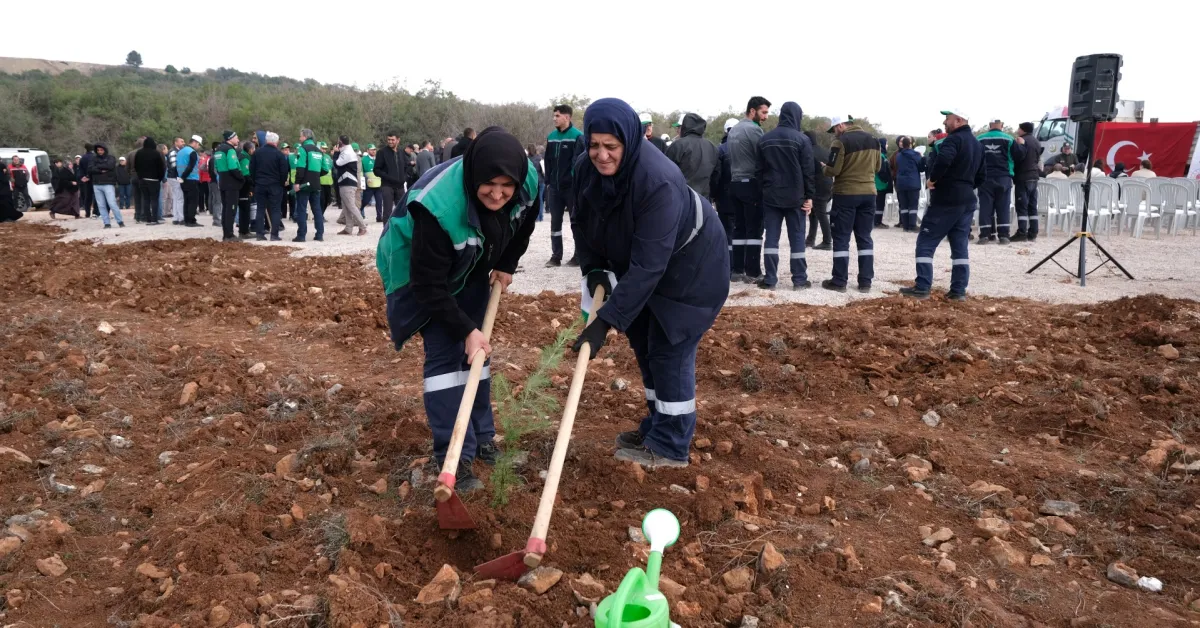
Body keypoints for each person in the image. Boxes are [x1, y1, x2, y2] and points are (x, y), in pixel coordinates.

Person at [569, 98, 729, 469]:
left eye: (611, 146)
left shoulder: (658, 181)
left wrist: (604, 322)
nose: (601, 155)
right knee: (643, 340)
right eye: (594, 145)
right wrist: (593, 269)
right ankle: (658, 425)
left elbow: (649, 266)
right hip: (644, 263)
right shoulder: (584, 170)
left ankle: (672, 444)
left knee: (669, 346)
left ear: (629, 140)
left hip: (692, 266)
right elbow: (582, 220)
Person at [376, 127, 540, 491]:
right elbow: (428, 286)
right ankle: (454, 458)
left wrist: (508, 262)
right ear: (474, 175)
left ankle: (482, 439)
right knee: (446, 359)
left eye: (506, 186)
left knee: (476, 357)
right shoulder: (439, 209)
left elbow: (526, 220)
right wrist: (466, 329)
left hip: (470, 263)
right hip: (418, 271)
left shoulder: (527, 179)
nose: (498, 194)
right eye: (489, 185)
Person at [900, 108, 984, 301]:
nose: (945, 123)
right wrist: (966, 186)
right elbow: (982, 175)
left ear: (959, 120)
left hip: (946, 199)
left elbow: (944, 159)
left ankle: (922, 287)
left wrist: (933, 180)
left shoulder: (953, 140)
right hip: (967, 200)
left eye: (948, 119)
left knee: (925, 242)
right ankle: (958, 290)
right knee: (960, 246)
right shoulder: (977, 144)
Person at [754, 101, 814, 290]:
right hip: (796, 198)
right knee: (797, 238)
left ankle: (770, 279)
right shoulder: (802, 139)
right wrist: (809, 197)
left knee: (771, 238)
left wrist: (763, 191)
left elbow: (758, 171)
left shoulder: (765, 139)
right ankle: (799, 280)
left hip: (771, 197)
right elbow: (808, 171)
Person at [821, 116, 879, 293]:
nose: (834, 134)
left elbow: (833, 170)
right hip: (869, 193)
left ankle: (839, 281)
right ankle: (865, 281)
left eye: (834, 130)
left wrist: (824, 167)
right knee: (864, 237)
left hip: (846, 194)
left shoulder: (840, 142)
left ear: (840, 125)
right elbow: (877, 168)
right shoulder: (874, 140)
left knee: (841, 238)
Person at [727, 96, 771, 282]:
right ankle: (753, 271)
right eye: (764, 112)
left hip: (734, 183)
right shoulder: (754, 131)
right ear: (752, 111)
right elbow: (764, 157)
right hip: (750, 183)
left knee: (739, 228)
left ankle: (737, 270)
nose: (766, 117)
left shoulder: (734, 130)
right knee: (754, 229)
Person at [544, 103, 586, 267]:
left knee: (576, 221)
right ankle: (556, 256)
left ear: (567, 117)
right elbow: (547, 161)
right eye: (554, 115)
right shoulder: (551, 136)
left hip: (571, 189)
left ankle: (578, 255)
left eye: (557, 116)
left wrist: (575, 184)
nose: (554, 118)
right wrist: (548, 182)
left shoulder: (578, 136)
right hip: (554, 188)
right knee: (555, 222)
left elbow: (579, 163)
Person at [976, 119, 1017, 244]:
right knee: (1003, 206)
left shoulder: (979, 139)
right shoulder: (1009, 139)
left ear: (989, 126)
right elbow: (1018, 155)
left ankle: (984, 235)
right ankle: (1004, 236)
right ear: (1002, 126)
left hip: (985, 177)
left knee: (985, 206)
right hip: (1003, 176)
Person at [665, 112, 718, 197]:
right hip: (703, 200)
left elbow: (666, 173)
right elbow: (716, 177)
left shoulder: (678, 145)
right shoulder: (712, 147)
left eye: (679, 127)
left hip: (682, 198)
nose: (677, 130)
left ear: (684, 126)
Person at [251, 132, 290, 241]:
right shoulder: (279, 155)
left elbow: (252, 170)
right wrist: (281, 183)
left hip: (260, 184)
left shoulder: (256, 153)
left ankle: (259, 234)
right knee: (276, 210)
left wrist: (255, 182)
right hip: (275, 185)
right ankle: (274, 234)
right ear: (276, 142)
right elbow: (284, 171)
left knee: (260, 209)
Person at [290, 130, 328, 241]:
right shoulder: (319, 151)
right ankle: (319, 235)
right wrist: (315, 175)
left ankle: (301, 236)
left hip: (304, 184)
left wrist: (297, 182)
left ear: (306, 137)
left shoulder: (303, 149)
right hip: (316, 184)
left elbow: (300, 167)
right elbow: (325, 169)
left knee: (302, 209)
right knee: (317, 209)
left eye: (300, 136)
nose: (299, 139)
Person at [710, 118, 739, 261]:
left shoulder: (720, 150)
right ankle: (742, 266)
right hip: (744, 198)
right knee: (741, 231)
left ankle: (729, 264)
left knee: (727, 232)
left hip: (724, 199)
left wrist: (713, 195)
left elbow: (716, 176)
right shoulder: (748, 147)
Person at [1009, 122, 1041, 242]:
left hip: (1023, 176)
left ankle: (1022, 232)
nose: (1017, 130)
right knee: (1032, 206)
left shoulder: (1022, 140)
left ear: (1022, 130)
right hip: (1034, 176)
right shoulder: (1036, 141)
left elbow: (1018, 157)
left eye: (1019, 128)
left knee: (1022, 206)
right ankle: (1033, 232)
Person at [803, 130, 834, 249]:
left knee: (820, 213)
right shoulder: (825, 151)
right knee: (815, 213)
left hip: (817, 185)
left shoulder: (808, 152)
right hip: (828, 184)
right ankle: (810, 239)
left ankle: (827, 241)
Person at [213, 130, 245, 241]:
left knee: (225, 209)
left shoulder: (218, 150)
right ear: (230, 139)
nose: (238, 140)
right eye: (236, 137)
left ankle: (225, 233)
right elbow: (233, 167)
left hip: (222, 181)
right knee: (231, 209)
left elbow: (216, 167)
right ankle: (229, 235)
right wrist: (241, 178)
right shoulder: (230, 150)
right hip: (231, 183)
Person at [334, 135, 368, 236]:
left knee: (351, 206)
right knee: (346, 206)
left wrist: (335, 153)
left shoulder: (347, 152)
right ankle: (348, 228)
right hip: (345, 182)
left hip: (348, 182)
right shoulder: (346, 151)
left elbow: (337, 164)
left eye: (338, 141)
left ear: (340, 142)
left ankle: (362, 227)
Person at [88, 143, 124, 228]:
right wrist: (101, 170)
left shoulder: (111, 158)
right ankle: (106, 223)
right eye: (98, 150)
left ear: (105, 150)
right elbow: (90, 169)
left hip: (108, 183)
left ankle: (120, 221)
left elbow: (110, 166)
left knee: (112, 203)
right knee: (101, 205)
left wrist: (97, 167)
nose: (100, 152)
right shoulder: (93, 159)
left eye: (101, 150)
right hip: (96, 184)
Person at [893, 136, 924, 232]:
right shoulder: (915, 155)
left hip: (901, 183)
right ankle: (912, 225)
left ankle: (905, 226)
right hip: (913, 182)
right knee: (913, 205)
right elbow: (921, 167)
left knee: (904, 205)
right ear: (910, 144)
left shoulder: (898, 156)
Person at [374, 131, 406, 221]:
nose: (390, 142)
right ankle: (387, 233)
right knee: (387, 212)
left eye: (392, 140)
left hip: (400, 187)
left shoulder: (401, 152)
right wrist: (388, 177)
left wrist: (404, 178)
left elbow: (406, 166)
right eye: (388, 139)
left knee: (402, 211)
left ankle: (400, 233)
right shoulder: (382, 152)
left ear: (398, 140)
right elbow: (376, 170)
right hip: (387, 186)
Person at [133, 137, 165, 225]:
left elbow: (136, 166)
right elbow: (161, 167)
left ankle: (148, 219)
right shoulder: (156, 153)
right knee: (154, 199)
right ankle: (155, 219)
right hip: (154, 180)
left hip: (142, 179)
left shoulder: (139, 153)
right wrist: (160, 178)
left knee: (146, 199)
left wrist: (140, 176)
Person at [176, 135, 203, 227]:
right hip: (191, 178)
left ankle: (186, 219)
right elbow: (190, 167)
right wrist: (183, 177)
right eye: (198, 144)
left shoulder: (180, 151)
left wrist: (181, 177)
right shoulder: (192, 152)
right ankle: (191, 220)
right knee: (193, 201)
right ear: (195, 142)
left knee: (186, 200)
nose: (198, 146)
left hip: (182, 179)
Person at [125, 137, 146, 222]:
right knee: (144, 196)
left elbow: (127, 167)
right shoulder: (145, 153)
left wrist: (130, 174)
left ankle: (137, 215)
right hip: (143, 176)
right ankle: (143, 215)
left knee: (136, 197)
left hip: (134, 177)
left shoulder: (130, 154)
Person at [873, 138, 892, 228]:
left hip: (879, 184)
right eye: (886, 144)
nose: (887, 146)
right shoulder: (880, 156)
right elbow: (881, 171)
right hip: (879, 184)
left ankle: (877, 221)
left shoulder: (881, 155)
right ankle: (876, 222)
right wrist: (886, 180)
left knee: (879, 203)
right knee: (879, 204)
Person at [237, 141, 255, 237]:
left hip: (242, 186)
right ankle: (244, 231)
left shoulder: (243, 156)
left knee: (244, 208)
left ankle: (244, 230)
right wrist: (253, 184)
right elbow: (246, 174)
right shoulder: (245, 159)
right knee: (245, 209)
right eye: (253, 149)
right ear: (250, 150)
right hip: (244, 187)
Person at [167, 137, 185, 224]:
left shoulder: (174, 151)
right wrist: (181, 176)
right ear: (176, 142)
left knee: (176, 197)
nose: (183, 143)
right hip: (175, 177)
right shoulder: (174, 151)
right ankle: (180, 218)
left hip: (172, 176)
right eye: (181, 141)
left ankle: (176, 217)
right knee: (179, 198)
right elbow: (174, 166)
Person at [362, 143, 381, 216]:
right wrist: (365, 179)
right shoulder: (364, 159)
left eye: (374, 150)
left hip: (378, 184)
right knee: (365, 201)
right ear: (367, 150)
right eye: (372, 150)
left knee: (379, 202)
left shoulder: (378, 159)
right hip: (369, 185)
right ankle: (358, 213)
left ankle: (379, 217)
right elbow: (362, 171)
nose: (373, 151)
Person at [318, 142, 336, 212]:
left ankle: (321, 214)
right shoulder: (317, 157)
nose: (324, 150)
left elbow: (332, 168)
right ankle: (319, 215)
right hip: (320, 182)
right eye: (322, 148)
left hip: (328, 182)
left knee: (328, 200)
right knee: (321, 200)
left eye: (325, 149)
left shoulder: (328, 157)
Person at [79, 143, 96, 217]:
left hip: (86, 179)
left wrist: (83, 177)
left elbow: (80, 169)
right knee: (96, 196)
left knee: (87, 196)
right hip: (95, 178)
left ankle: (87, 212)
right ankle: (95, 211)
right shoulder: (95, 157)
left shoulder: (83, 157)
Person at [197, 148, 211, 215]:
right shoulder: (209, 159)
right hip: (208, 179)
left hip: (203, 179)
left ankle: (201, 208)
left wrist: (199, 179)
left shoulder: (203, 160)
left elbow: (200, 170)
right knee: (208, 194)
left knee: (201, 194)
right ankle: (208, 207)